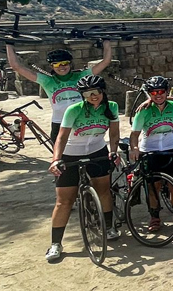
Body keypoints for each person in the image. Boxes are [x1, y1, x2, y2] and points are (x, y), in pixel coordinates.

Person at [44, 75, 120, 262]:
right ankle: (56, 243)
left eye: (96, 92)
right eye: (87, 93)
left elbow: (114, 132)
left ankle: (109, 227)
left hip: (97, 150)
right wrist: (56, 160)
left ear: (103, 91)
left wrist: (113, 151)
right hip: (71, 152)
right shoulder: (73, 110)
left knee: (104, 191)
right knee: (64, 200)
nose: (92, 96)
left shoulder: (112, 107)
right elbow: (61, 138)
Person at [5, 43, 113, 141]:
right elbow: (16, 67)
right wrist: (9, 44)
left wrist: (106, 43)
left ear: (70, 64)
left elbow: (105, 62)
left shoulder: (81, 76)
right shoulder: (47, 81)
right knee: (61, 157)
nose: (61, 67)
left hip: (81, 120)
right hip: (59, 123)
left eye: (65, 63)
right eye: (56, 64)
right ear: (51, 66)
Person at [129, 76, 173, 231]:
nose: (157, 95)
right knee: (153, 187)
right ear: (149, 94)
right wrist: (134, 148)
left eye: (161, 92)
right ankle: (155, 217)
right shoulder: (143, 111)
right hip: (149, 151)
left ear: (166, 92)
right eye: (153, 92)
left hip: (171, 149)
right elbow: (134, 134)